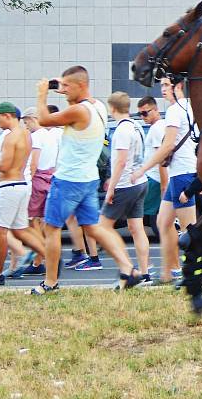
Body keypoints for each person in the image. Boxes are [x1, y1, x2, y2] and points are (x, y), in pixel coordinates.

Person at [34, 66, 143, 294]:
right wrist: (64, 87)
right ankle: (128, 268)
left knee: (51, 228)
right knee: (93, 228)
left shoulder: (79, 112)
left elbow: (43, 119)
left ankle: (50, 283)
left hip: (67, 180)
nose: (62, 90)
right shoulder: (98, 107)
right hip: (88, 179)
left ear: (81, 86)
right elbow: (74, 112)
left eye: (66, 86)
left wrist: (43, 92)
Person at [131, 76, 198, 285]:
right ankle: (168, 273)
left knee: (189, 230)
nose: (163, 89)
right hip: (182, 172)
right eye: (161, 85)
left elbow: (167, 146)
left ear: (178, 86)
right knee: (163, 222)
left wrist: (142, 168)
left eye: (167, 85)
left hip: (182, 173)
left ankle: (195, 275)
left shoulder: (174, 110)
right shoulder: (189, 106)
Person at [0, 102, 47, 286]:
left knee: (0, 232)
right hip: (21, 184)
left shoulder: (11, 137)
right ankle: (50, 256)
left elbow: (5, 166)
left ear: (7, 115)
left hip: (10, 186)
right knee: (20, 230)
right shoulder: (26, 134)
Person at [101, 92, 151, 281]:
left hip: (125, 184)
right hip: (140, 182)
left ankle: (128, 268)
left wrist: (111, 187)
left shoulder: (122, 130)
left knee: (102, 227)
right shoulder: (136, 126)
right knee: (136, 228)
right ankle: (145, 273)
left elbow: (121, 162)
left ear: (112, 108)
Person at [19, 107, 58, 276]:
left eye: (26, 121)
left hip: (37, 180)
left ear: (33, 119)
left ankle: (39, 258)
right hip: (50, 177)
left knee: (31, 221)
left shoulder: (35, 137)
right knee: (43, 222)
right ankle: (40, 259)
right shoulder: (50, 136)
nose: (25, 125)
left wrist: (25, 179)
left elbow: (33, 163)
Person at [137, 96, 168, 239]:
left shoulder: (157, 129)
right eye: (140, 114)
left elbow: (161, 158)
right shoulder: (160, 127)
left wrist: (164, 185)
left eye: (145, 113)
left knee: (134, 215)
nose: (143, 117)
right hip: (154, 178)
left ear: (155, 110)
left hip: (154, 179)